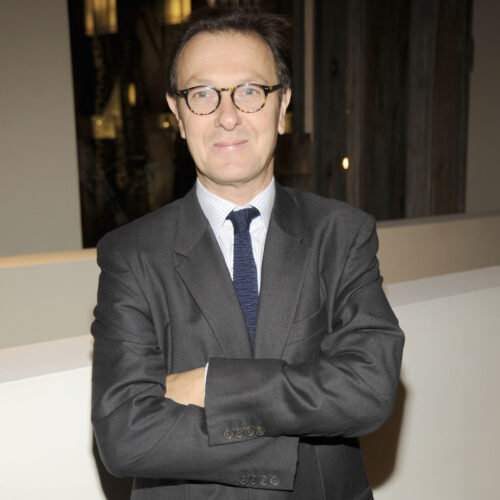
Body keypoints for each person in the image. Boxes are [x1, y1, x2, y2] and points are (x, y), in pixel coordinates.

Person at [91, 7, 404, 499]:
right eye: (202, 94)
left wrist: (212, 386)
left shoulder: (342, 234)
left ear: (282, 106)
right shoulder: (131, 254)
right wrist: (292, 433)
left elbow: (369, 389)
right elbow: (124, 435)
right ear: (177, 113)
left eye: (250, 91)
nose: (228, 115)